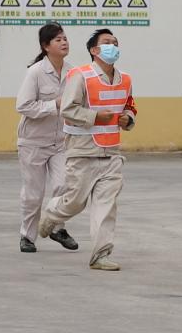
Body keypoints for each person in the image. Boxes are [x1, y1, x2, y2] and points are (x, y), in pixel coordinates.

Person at [37, 29, 133, 271]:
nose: (112, 46)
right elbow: (68, 110)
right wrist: (95, 117)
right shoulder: (79, 75)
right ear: (94, 50)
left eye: (115, 42)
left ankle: (100, 255)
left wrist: (128, 119)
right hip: (82, 151)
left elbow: (130, 106)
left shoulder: (126, 79)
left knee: (106, 206)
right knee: (75, 203)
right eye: (106, 42)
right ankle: (52, 214)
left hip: (112, 152)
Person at [14, 23, 75, 254]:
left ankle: (57, 227)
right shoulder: (36, 72)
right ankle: (27, 236)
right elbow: (23, 106)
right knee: (33, 193)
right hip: (33, 143)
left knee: (64, 185)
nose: (64, 42)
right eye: (58, 39)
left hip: (60, 142)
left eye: (65, 38)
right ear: (45, 46)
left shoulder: (73, 72)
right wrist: (54, 105)